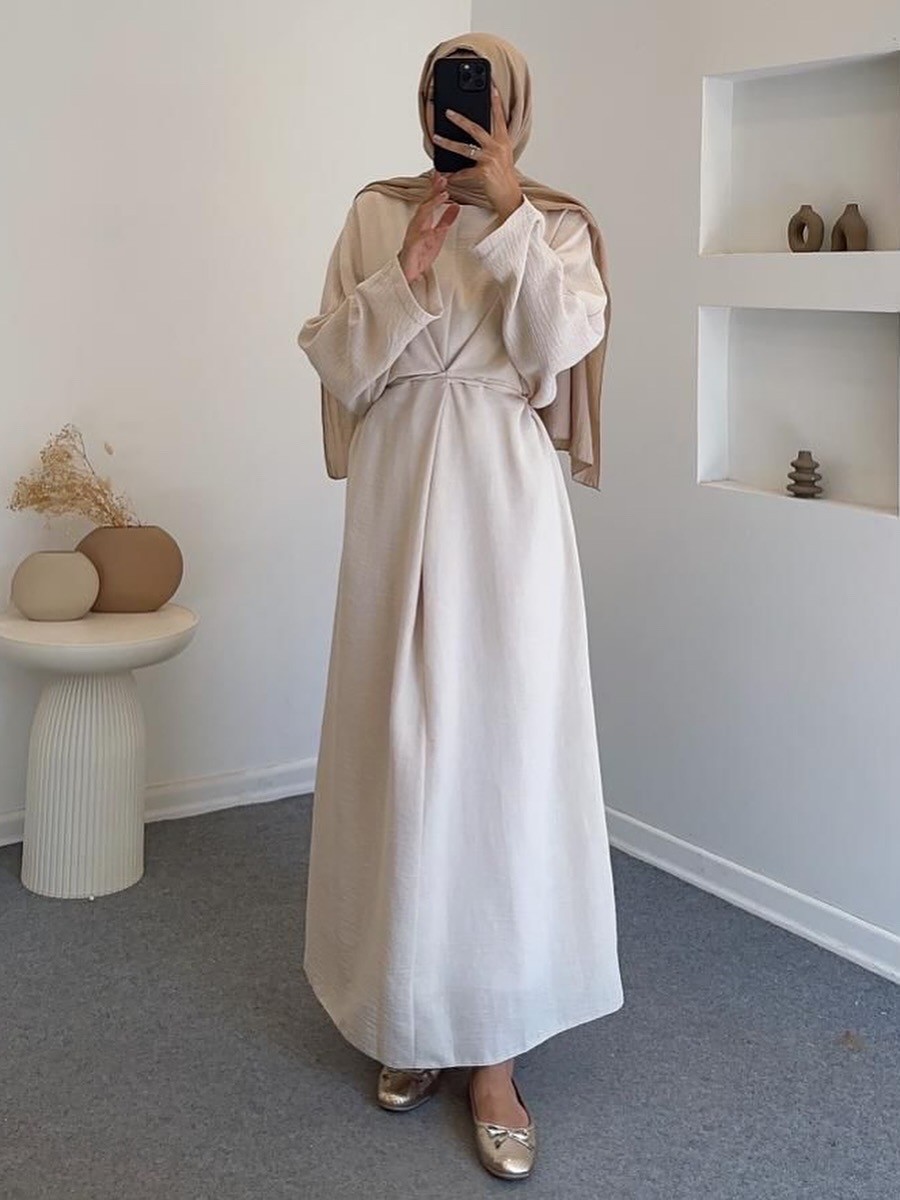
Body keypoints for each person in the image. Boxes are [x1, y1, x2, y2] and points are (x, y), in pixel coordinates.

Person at [296, 31, 624, 1182]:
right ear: (426, 102)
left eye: (482, 96)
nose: (463, 109)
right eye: (447, 93)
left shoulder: (560, 223)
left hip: (503, 502)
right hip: (397, 495)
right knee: (397, 751)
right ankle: (409, 1017)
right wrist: (411, 269)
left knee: (498, 762)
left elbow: (558, 344)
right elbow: (338, 362)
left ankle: (494, 1055)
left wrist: (510, 207)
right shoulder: (377, 213)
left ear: (515, 109)